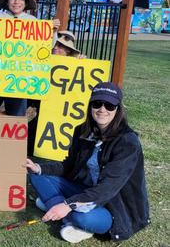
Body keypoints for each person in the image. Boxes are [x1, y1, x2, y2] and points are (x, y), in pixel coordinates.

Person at [24, 82, 150, 243]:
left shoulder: (127, 142)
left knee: (81, 217)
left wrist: (68, 205)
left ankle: (67, 215)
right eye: (97, 103)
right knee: (37, 176)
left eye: (109, 105)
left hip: (112, 204)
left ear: (118, 109)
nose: (102, 109)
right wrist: (38, 167)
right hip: (85, 190)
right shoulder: (82, 131)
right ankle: (61, 211)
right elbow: (68, 166)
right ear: (90, 106)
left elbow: (108, 188)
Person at [0, 0, 60, 116]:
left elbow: (47, 47)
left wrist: (52, 32)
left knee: (16, 120)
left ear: (25, 3)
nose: (16, 2)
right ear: (7, 1)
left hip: (20, 81)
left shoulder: (33, 22)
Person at [27, 30, 84, 156]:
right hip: (43, 117)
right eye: (54, 44)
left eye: (59, 46)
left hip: (64, 120)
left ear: (68, 51)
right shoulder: (43, 64)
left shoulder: (77, 67)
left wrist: (83, 63)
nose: (55, 48)